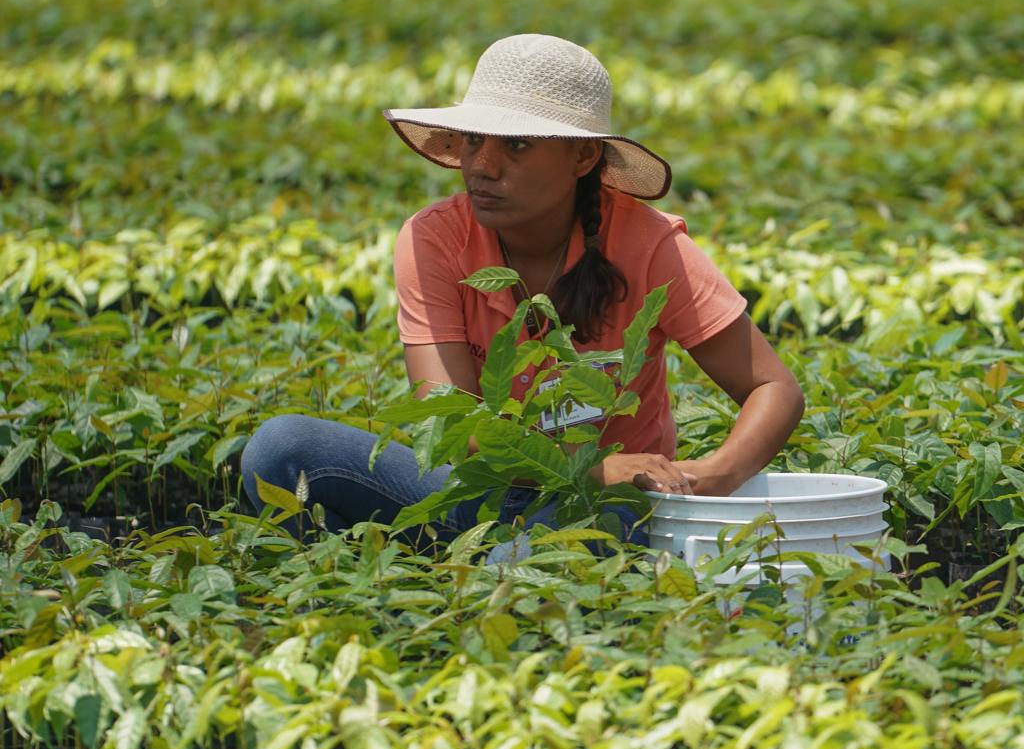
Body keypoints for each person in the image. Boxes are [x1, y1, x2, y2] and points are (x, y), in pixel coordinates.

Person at [241, 34, 804, 554]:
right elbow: (452, 424)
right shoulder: (435, 238)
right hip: (477, 490)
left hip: (600, 505)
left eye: (516, 145)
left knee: (529, 563)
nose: (482, 166)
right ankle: (365, 583)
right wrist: (592, 466)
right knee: (281, 448)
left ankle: (477, 572)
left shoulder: (650, 247)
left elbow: (773, 388)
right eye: (474, 140)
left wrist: (712, 475)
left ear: (583, 157)